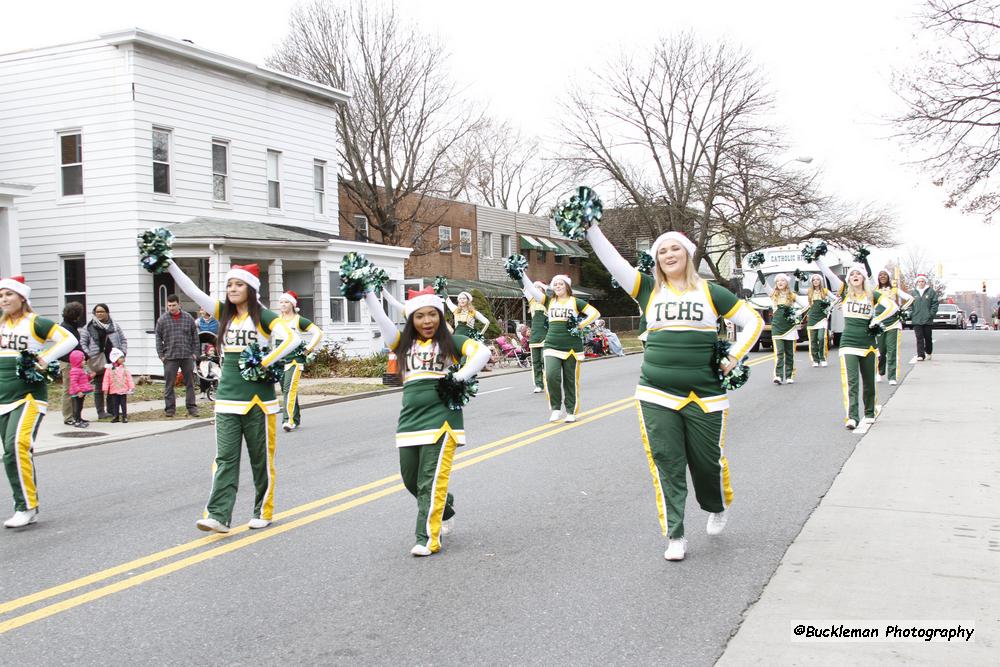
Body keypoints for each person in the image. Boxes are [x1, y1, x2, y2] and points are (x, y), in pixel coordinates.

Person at [586, 226, 763, 561]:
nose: (668, 255)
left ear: (687, 254)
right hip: (656, 392)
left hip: (705, 394)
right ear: (657, 259)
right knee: (666, 461)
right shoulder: (647, 288)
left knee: (706, 463)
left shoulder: (711, 292)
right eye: (662, 251)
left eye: (675, 249)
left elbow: (752, 321)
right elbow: (612, 261)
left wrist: (734, 356)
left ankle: (716, 505)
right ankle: (676, 534)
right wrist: (591, 227)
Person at [167, 262, 298, 532]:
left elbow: (292, 340)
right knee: (225, 458)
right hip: (226, 398)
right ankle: (218, 514)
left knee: (260, 459)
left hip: (258, 401)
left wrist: (266, 361)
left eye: (238, 284)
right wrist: (168, 263)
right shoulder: (222, 313)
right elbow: (191, 290)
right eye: (229, 285)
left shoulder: (264, 316)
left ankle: (263, 510)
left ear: (250, 288)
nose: (233, 289)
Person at [364, 284, 491, 556]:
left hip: (442, 419)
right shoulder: (402, 343)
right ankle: (445, 507)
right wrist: (367, 293)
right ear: (411, 319)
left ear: (440, 316)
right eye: (419, 316)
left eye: (432, 314)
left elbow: (483, 353)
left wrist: (458, 377)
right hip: (409, 420)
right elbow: (382, 320)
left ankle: (427, 539)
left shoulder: (451, 342)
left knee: (429, 481)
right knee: (411, 479)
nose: (426, 321)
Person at [0, 275, 77, 528]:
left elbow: (69, 339)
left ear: (22, 297)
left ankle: (26, 507)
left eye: (8, 294)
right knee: (10, 453)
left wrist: (44, 358)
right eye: (1, 295)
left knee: (19, 443)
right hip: (2, 397)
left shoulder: (36, 323)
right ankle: (23, 503)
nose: (4, 299)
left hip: (29, 396)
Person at [814, 258, 898, 429]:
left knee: (868, 381)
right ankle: (852, 417)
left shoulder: (872, 294)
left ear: (864, 278)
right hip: (848, 343)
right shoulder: (844, 293)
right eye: (852, 274)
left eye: (858, 273)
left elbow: (893, 307)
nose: (855, 276)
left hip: (868, 344)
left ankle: (869, 412)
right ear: (848, 279)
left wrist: (877, 319)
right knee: (851, 382)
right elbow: (829, 274)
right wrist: (817, 258)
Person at [520, 274, 600, 422]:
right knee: (551, 376)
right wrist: (522, 274)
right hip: (551, 344)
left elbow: (595, 313)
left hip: (571, 346)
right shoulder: (548, 301)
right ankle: (556, 408)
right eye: (555, 284)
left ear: (567, 286)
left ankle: (571, 411)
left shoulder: (575, 302)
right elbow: (531, 288)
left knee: (570, 380)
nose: (557, 286)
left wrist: (580, 325)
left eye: (560, 284)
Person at [273, 291, 323, 432]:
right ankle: (295, 417)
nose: (283, 304)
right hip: (279, 360)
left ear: (293, 305)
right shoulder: (276, 320)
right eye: (281, 302)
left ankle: (288, 421)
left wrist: (307, 349)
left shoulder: (298, 320)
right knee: (286, 390)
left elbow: (318, 333)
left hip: (294, 360)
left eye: (286, 302)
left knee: (289, 389)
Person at [80, 303, 128, 420]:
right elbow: (83, 342)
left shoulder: (115, 326)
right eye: (97, 312)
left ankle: (112, 410)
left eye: (102, 311)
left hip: (113, 360)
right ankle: (100, 412)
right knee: (99, 387)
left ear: (107, 312)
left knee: (113, 385)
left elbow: (123, 340)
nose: (99, 314)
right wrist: (88, 355)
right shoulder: (89, 327)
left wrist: (122, 353)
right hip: (97, 360)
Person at [757, 271, 807, 384]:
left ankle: (789, 375)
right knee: (779, 352)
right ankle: (778, 375)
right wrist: (758, 268)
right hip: (777, 327)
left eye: (782, 280)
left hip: (789, 327)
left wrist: (797, 313)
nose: (780, 282)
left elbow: (806, 305)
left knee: (789, 353)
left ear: (787, 283)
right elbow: (764, 283)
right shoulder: (773, 293)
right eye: (778, 280)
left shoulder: (792, 295)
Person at [155, 294, 200, 418]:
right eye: (169, 305)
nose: (171, 308)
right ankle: (170, 409)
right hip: (170, 356)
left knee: (190, 383)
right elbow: (158, 337)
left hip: (187, 355)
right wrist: (161, 355)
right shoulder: (162, 320)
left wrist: (195, 353)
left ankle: (192, 408)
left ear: (179, 304)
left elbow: (195, 336)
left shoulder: (188, 318)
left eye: (174, 305)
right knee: (169, 384)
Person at [874, 271, 913, 386]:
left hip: (893, 323)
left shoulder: (895, 290)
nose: (882, 276)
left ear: (889, 277)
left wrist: (901, 309)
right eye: (880, 275)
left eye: (885, 275)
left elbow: (910, 299)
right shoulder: (874, 290)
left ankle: (892, 376)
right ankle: (879, 372)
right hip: (879, 323)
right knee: (880, 350)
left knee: (892, 350)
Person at [57, 301, 85, 426]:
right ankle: (68, 417)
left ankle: (76, 415)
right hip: (67, 362)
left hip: (74, 362)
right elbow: (71, 345)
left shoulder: (71, 326)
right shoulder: (65, 327)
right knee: (69, 389)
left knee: (75, 389)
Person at [805, 273, 833, 368]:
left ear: (820, 281)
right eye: (814, 280)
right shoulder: (809, 291)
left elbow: (835, 299)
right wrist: (796, 280)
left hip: (822, 318)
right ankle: (815, 359)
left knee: (821, 338)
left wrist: (829, 307)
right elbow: (797, 290)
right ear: (812, 282)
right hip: (812, 318)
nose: (816, 281)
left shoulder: (825, 291)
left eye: (817, 279)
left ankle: (823, 358)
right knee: (813, 340)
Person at [909, 274, 938, 361]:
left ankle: (928, 352)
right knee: (919, 338)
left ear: (925, 282)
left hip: (927, 319)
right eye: (919, 281)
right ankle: (920, 355)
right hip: (916, 319)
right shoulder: (913, 293)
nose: (921, 283)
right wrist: (911, 314)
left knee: (928, 337)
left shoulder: (931, 292)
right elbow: (910, 305)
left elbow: (935, 304)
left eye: (922, 281)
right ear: (917, 282)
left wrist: (931, 314)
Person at [526, 283, 548, 393]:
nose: (536, 291)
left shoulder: (548, 302)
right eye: (535, 289)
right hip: (534, 337)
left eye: (539, 289)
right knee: (536, 362)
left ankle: (549, 381)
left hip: (546, 335)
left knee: (545, 360)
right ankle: (539, 384)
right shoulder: (532, 302)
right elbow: (524, 288)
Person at [102, 348, 135, 423]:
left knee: (123, 404)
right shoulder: (109, 369)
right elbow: (106, 379)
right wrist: (105, 389)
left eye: (123, 357)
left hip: (123, 389)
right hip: (114, 389)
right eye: (121, 357)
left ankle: (124, 416)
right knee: (115, 404)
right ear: (115, 358)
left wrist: (131, 387)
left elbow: (129, 378)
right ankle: (115, 416)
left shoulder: (124, 368)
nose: (123, 359)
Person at [67, 350, 95, 428]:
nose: (84, 361)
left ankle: (79, 418)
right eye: (82, 360)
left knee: (80, 406)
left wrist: (90, 377)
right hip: (77, 393)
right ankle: (77, 421)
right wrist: (78, 391)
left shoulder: (81, 369)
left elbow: (84, 380)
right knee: (77, 407)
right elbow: (73, 382)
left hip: (81, 391)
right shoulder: (74, 371)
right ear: (77, 361)